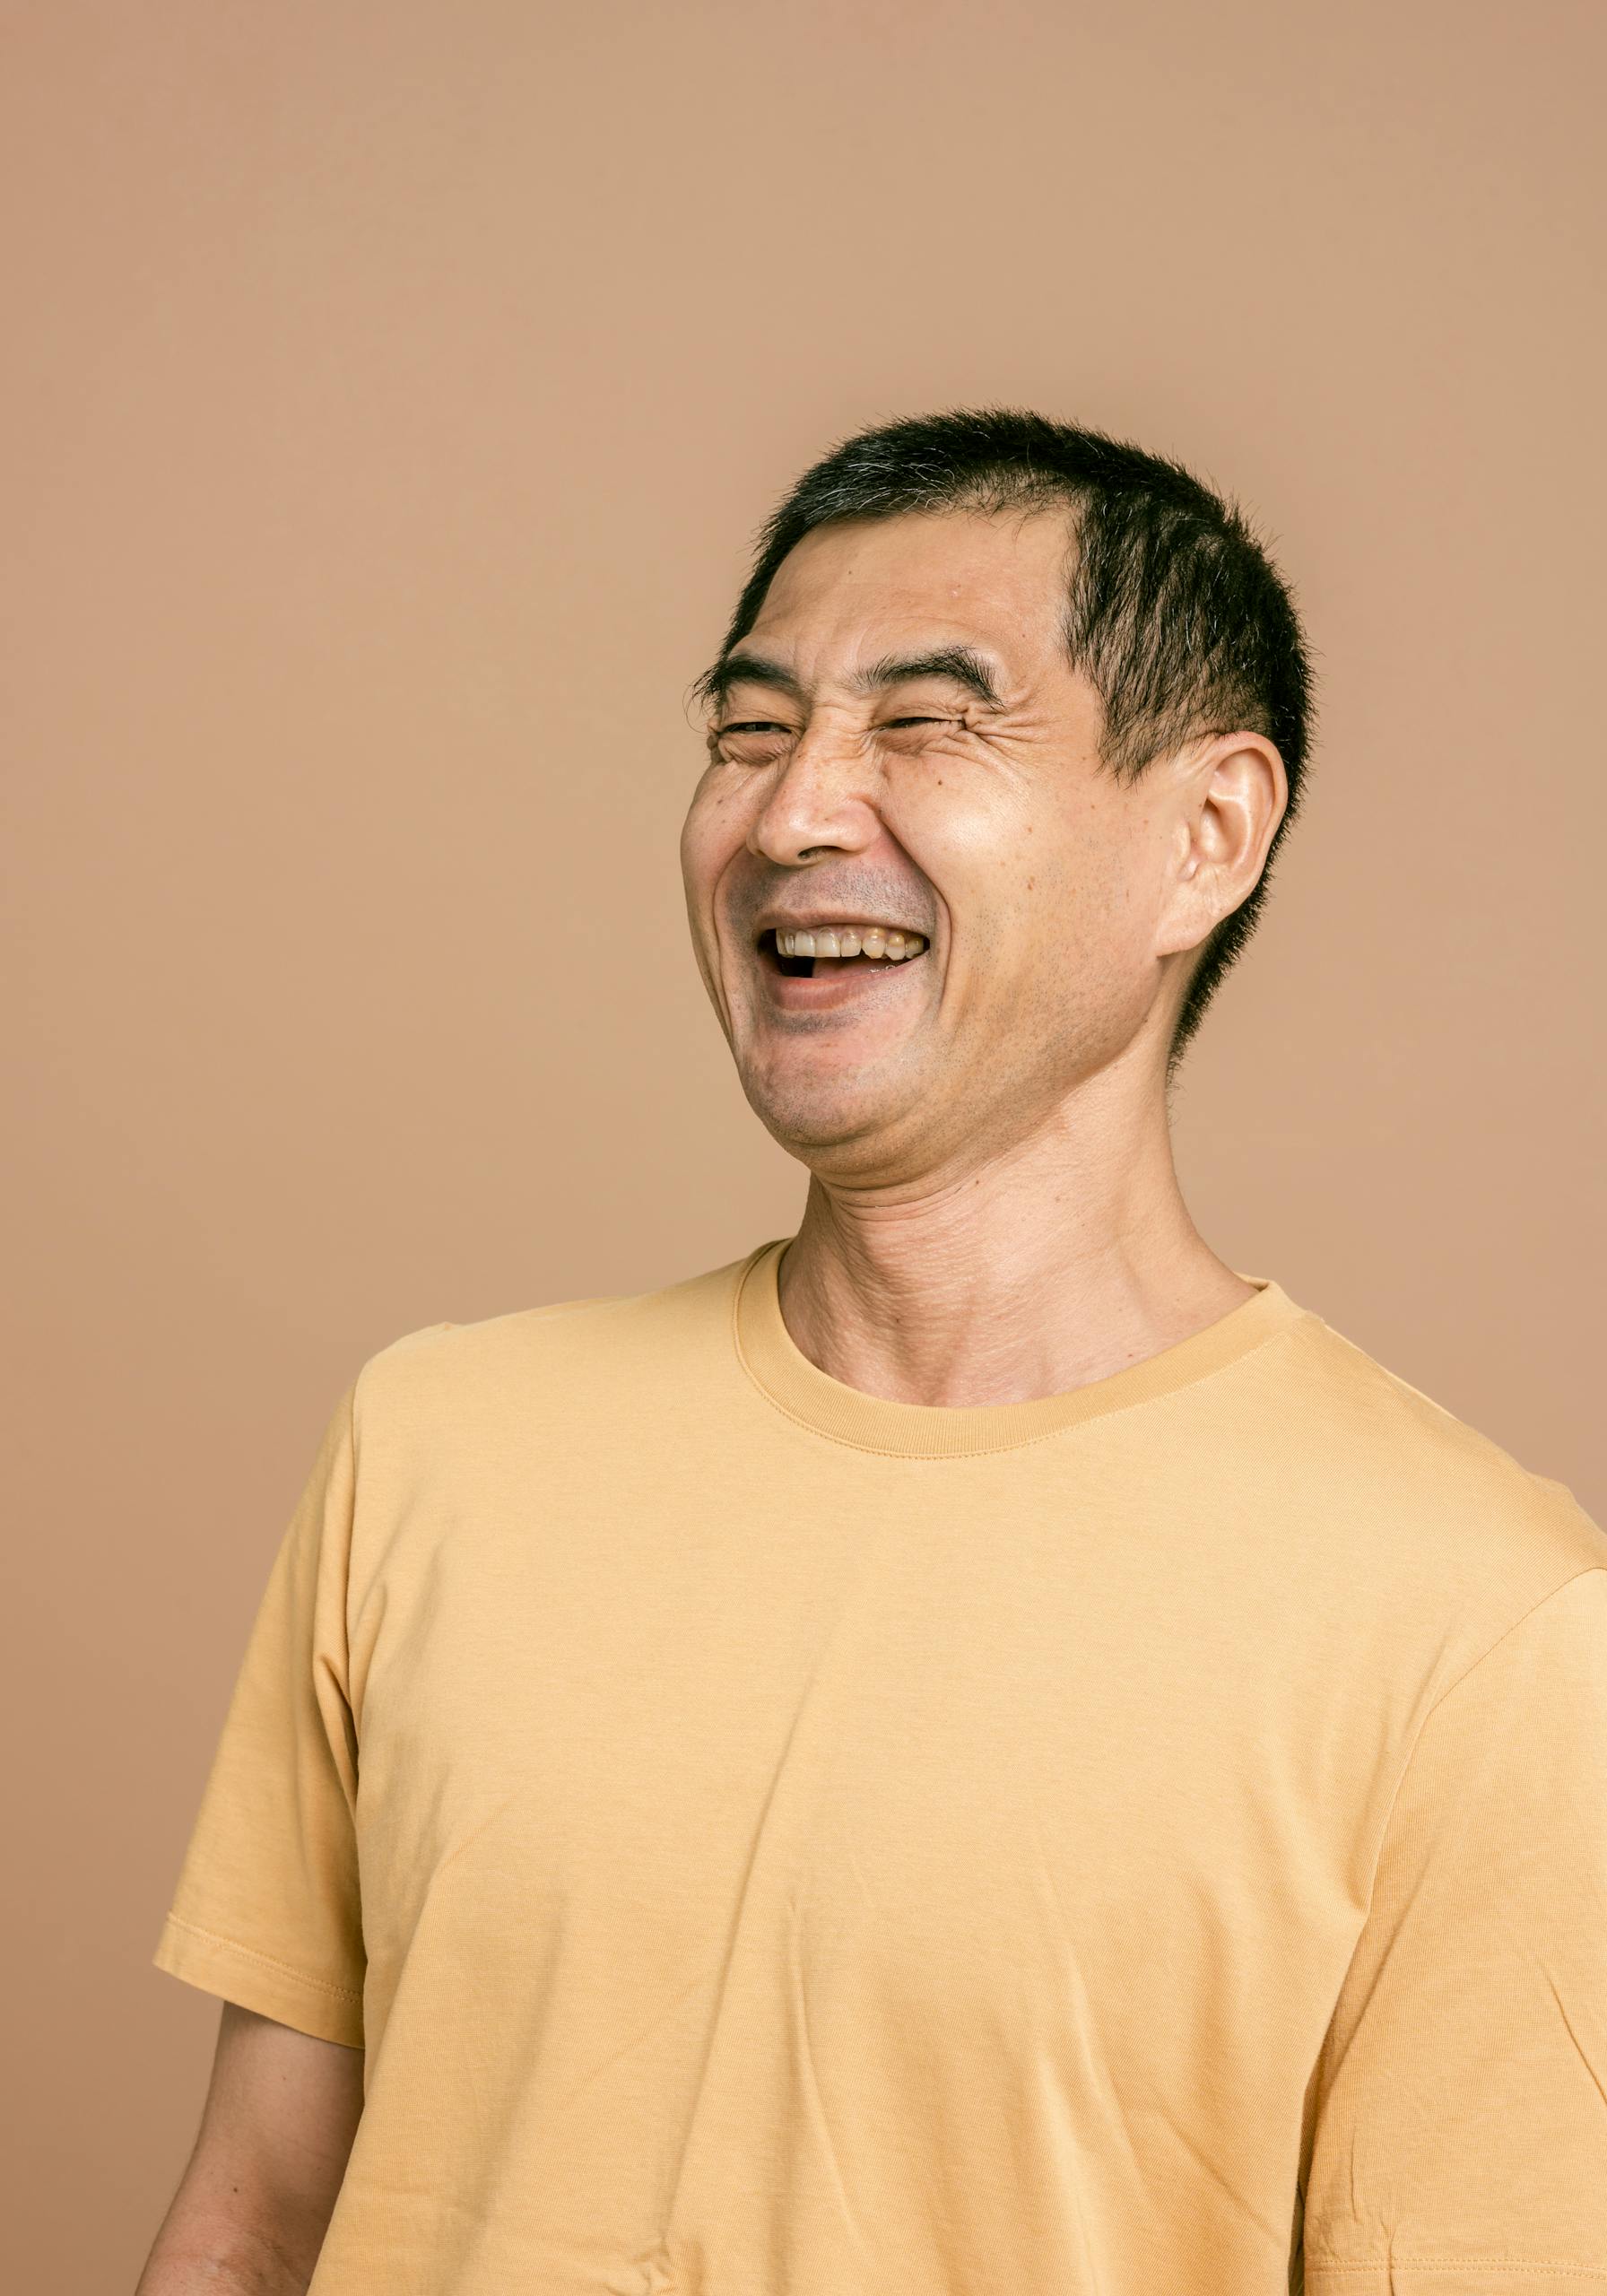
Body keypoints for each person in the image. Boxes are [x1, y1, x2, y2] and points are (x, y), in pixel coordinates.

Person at [139, 410, 1607, 2296]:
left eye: (920, 725)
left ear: (1202, 836)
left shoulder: (1486, 1635)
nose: (789, 812)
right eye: (749, 733)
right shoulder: (432, 1443)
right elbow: (252, 2221)